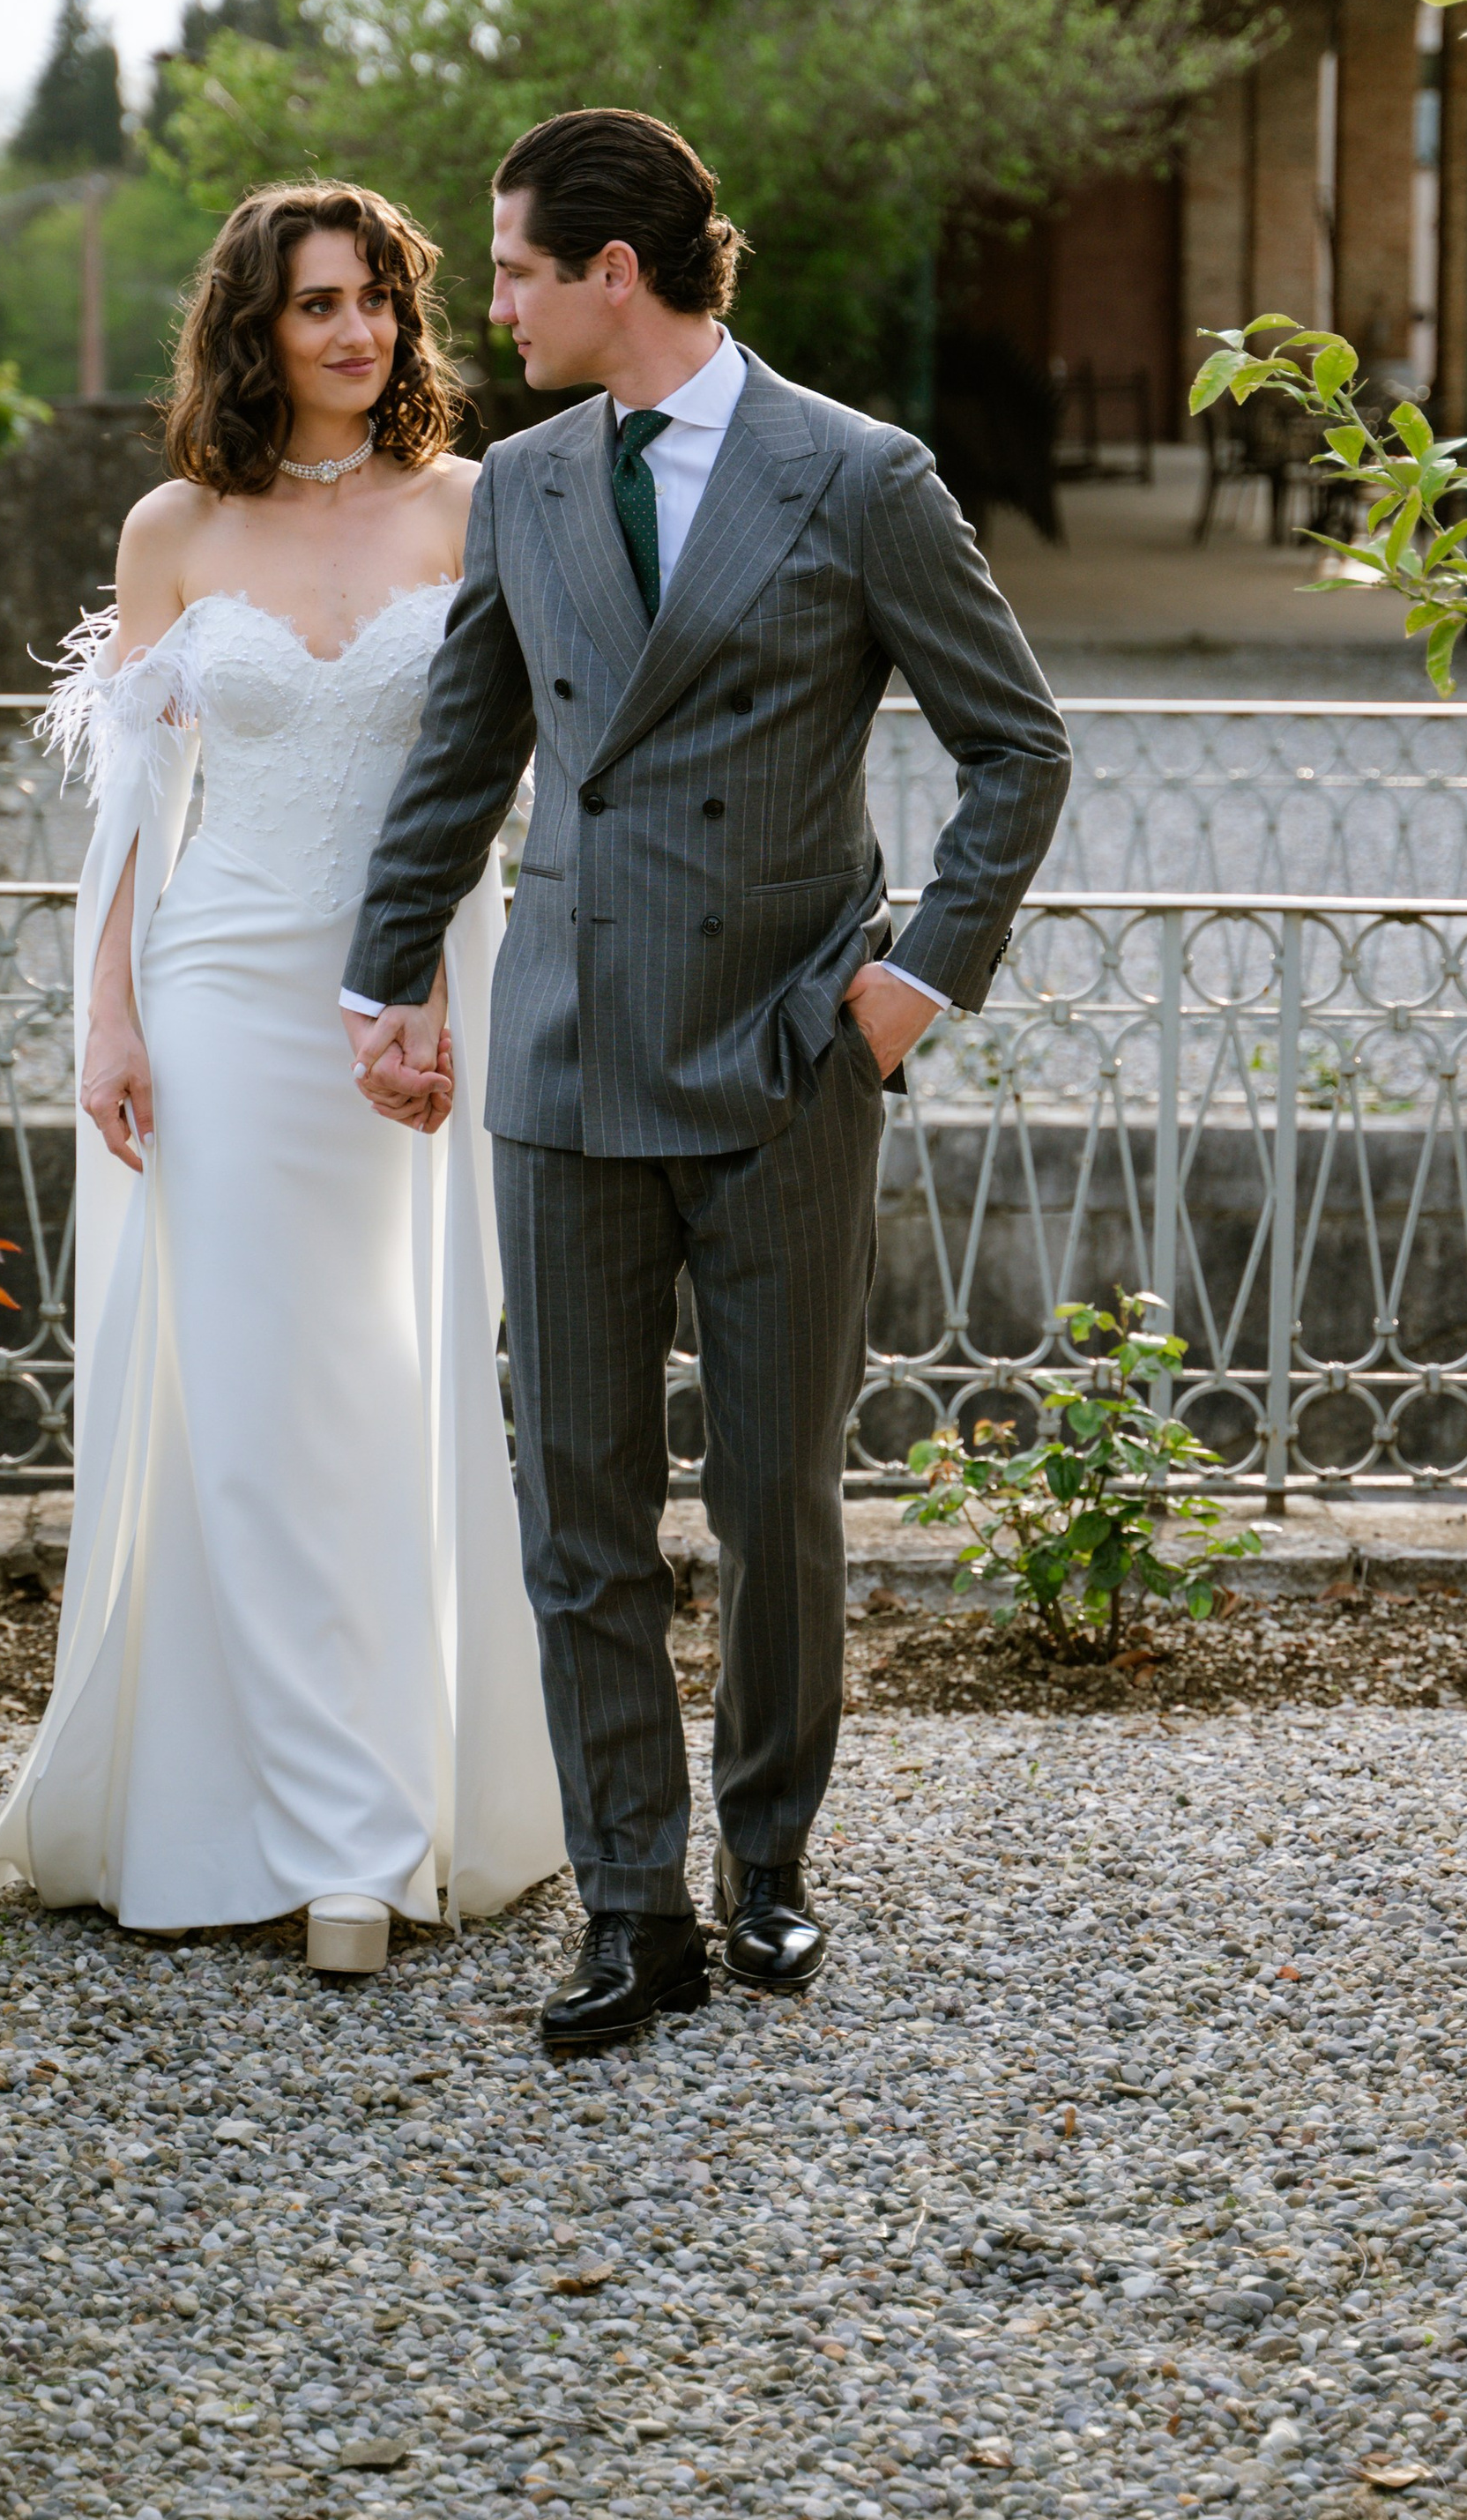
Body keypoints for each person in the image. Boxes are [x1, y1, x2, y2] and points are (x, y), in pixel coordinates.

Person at [343, 108, 1070, 2048]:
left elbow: (1016, 748)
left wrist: (911, 979)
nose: (480, 304)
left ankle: (769, 1867)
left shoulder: (856, 474)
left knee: (773, 1498)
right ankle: (627, 1905)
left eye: (508, 268)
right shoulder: (522, 485)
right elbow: (458, 754)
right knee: (575, 1512)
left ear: (612, 273)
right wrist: (381, 977)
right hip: (566, 1057)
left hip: (782, 1056)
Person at [0, 182, 565, 1963]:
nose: (354, 331)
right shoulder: (176, 528)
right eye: (315, 303)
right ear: (256, 326)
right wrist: (109, 1014)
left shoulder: (475, 505)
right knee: (232, 1395)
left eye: (377, 296)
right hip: (216, 985)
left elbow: (522, 766)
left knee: (389, 1382)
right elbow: (140, 803)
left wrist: (470, 982)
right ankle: (288, 1831)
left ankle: (380, 1834)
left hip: (412, 993)